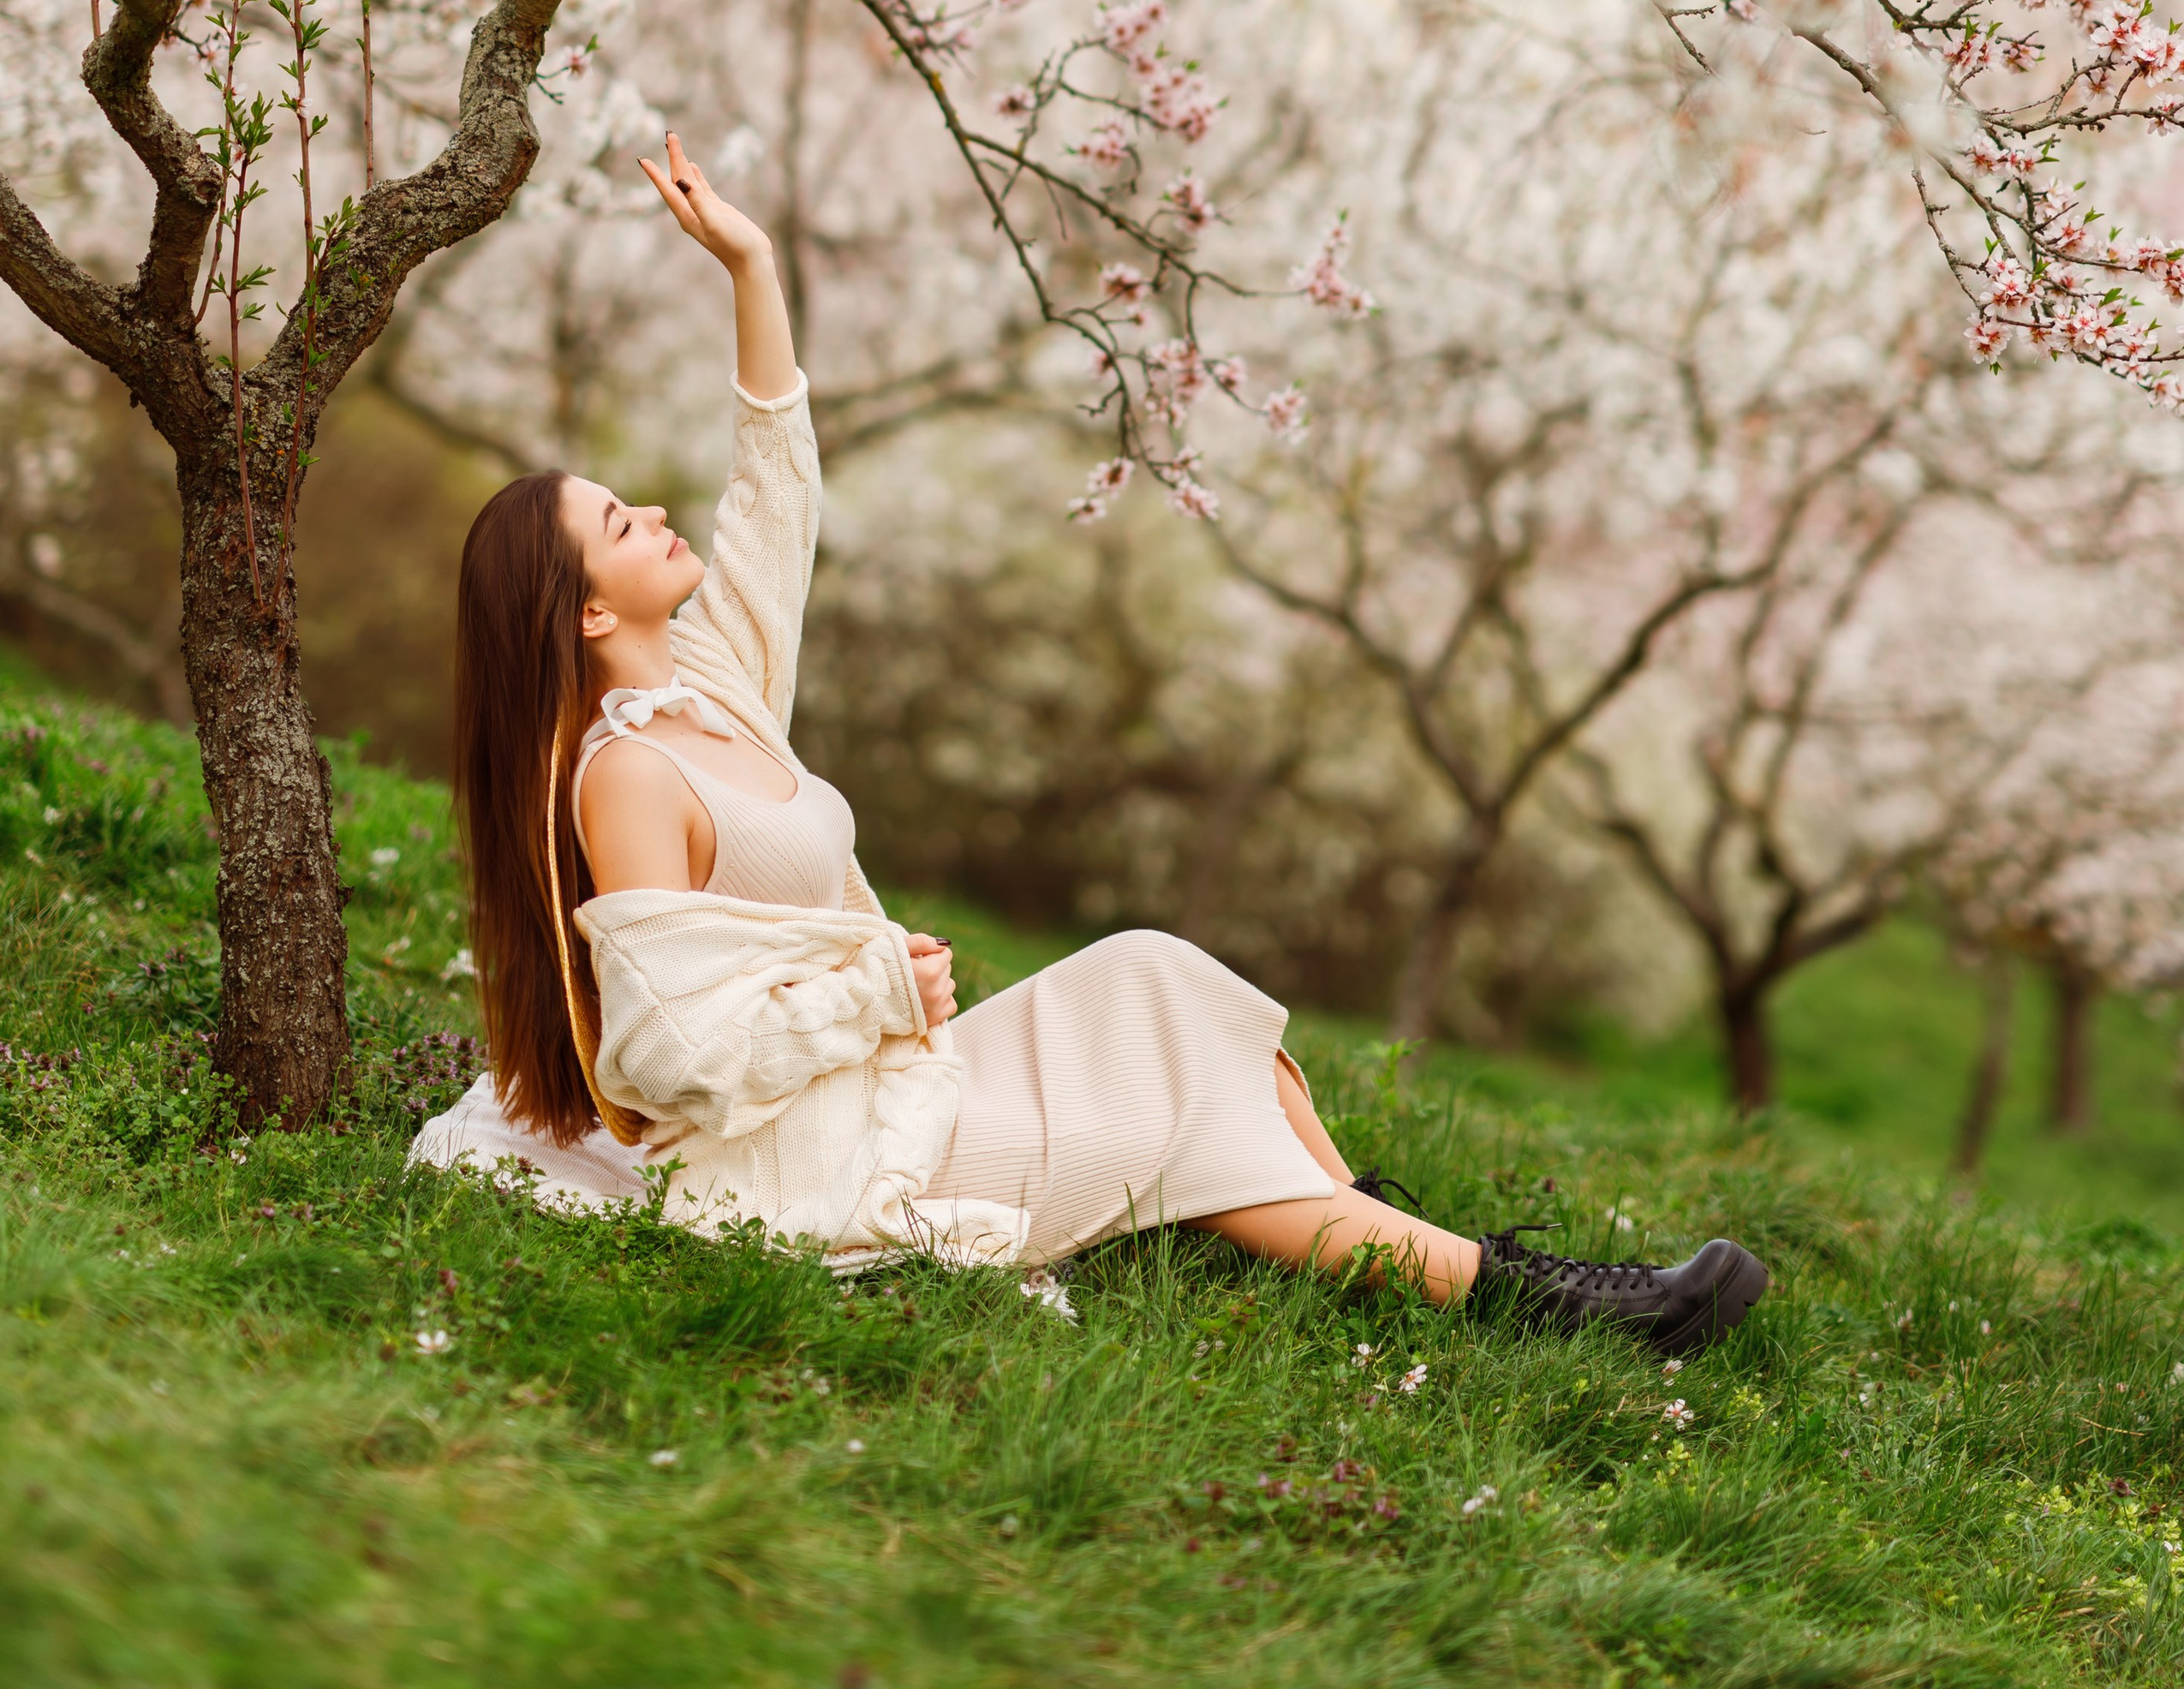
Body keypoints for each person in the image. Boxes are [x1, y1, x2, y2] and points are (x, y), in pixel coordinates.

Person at [411, 133, 1769, 1350]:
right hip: (828, 1160)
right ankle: (1533, 1303)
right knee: (1175, 1092)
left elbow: (777, 497)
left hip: (893, 1085)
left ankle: (1381, 1233)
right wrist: (875, 997)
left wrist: (751, 270)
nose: (650, 510)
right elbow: (663, 1066)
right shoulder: (630, 776)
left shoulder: (708, 688)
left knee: (1162, 978)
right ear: (588, 610)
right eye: (615, 523)